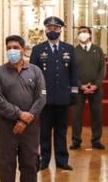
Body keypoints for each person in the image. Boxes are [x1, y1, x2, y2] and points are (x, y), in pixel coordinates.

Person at [0, 35, 47, 182]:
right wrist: (18, 114)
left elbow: (41, 98)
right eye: (9, 47)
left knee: (30, 164)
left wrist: (25, 119)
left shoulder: (35, 71)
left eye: (15, 47)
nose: (12, 50)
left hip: (30, 127)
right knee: (7, 165)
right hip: (6, 127)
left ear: (23, 49)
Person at [30, 16, 78, 171]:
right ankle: (44, 160)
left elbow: (74, 72)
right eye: (49, 28)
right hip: (44, 98)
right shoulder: (38, 50)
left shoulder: (69, 49)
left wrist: (74, 92)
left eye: (55, 28)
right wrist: (34, 94)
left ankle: (62, 161)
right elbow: (33, 74)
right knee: (44, 131)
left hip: (63, 97)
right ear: (45, 30)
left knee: (61, 131)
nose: (52, 31)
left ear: (60, 30)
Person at [71, 26, 106, 150]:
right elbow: (71, 71)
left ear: (90, 35)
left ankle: (96, 140)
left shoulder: (98, 50)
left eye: (84, 32)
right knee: (76, 115)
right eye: (80, 32)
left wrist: (96, 85)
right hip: (79, 89)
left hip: (96, 88)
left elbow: (102, 69)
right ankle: (76, 140)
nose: (82, 34)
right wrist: (81, 85)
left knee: (97, 114)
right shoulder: (74, 51)